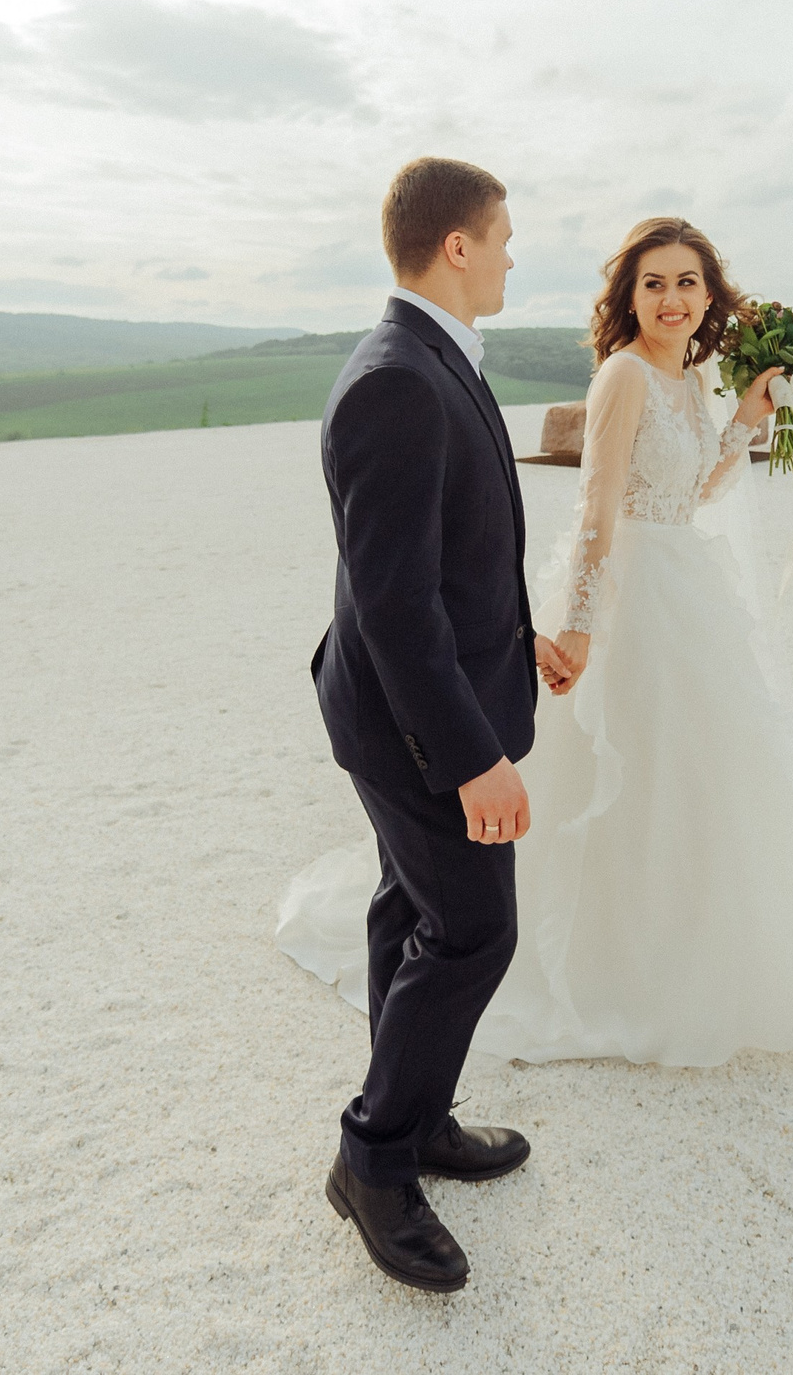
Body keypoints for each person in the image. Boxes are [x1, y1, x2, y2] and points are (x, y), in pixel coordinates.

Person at [283, 214, 793, 1075]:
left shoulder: (690, 378)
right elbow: (598, 508)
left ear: (711, 295)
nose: (672, 299)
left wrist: (741, 419)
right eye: (653, 283)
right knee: (613, 778)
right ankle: (589, 965)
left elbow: (689, 492)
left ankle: (680, 954)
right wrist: (581, 625)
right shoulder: (622, 376)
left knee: (693, 780)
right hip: (627, 600)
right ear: (628, 295)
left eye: (688, 283)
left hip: (685, 590)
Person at [305, 156, 575, 1295]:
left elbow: (449, 565)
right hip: (414, 726)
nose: (513, 253)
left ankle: (411, 1123)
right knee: (471, 932)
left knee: (408, 909)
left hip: (411, 703)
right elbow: (394, 604)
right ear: (455, 246)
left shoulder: (431, 359)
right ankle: (372, 1160)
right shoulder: (397, 381)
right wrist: (471, 760)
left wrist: (522, 643)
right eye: (502, 235)